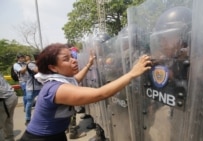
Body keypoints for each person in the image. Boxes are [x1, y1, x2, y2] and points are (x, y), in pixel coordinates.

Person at [19, 43, 151, 141]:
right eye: (66, 59)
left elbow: (77, 79)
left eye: (72, 56)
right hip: (40, 139)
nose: (74, 60)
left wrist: (89, 64)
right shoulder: (56, 89)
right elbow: (100, 94)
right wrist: (132, 73)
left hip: (55, 134)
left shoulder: (61, 81)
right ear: (53, 67)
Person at [25, 53, 43, 126]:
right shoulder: (30, 64)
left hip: (40, 87)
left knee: (41, 103)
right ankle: (28, 119)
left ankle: (40, 118)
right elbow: (37, 70)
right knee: (29, 104)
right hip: (31, 88)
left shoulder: (38, 63)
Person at [0, 74, 18, 141]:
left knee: (1, 126)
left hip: (4, 99)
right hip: (11, 96)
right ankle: (10, 139)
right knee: (8, 121)